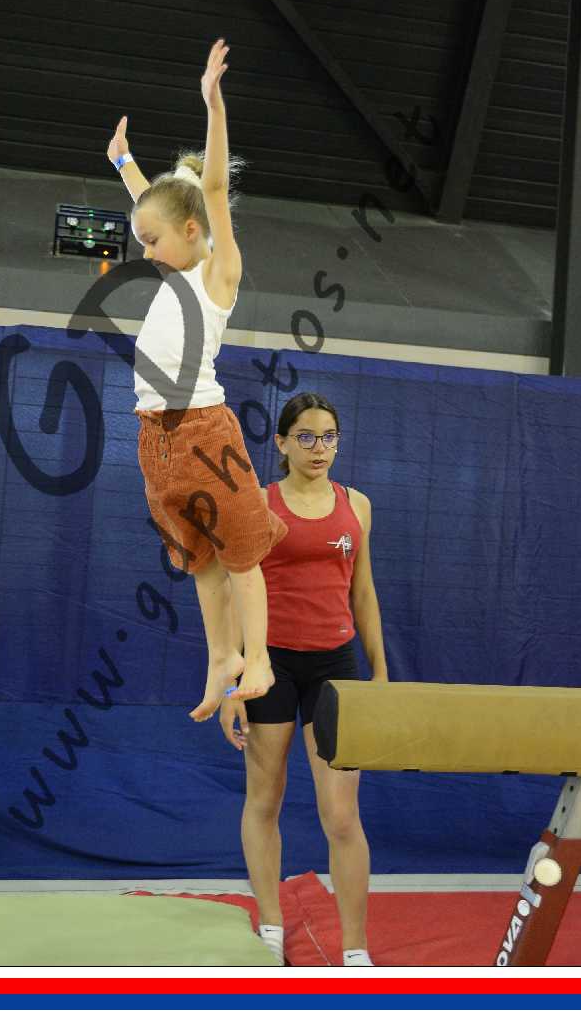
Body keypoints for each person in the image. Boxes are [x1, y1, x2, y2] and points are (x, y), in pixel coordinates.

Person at [107, 39, 286, 721]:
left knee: (240, 554)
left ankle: (258, 656)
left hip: (205, 431)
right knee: (201, 559)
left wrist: (214, 105)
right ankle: (221, 657)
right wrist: (123, 163)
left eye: (152, 242)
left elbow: (209, 190)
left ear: (190, 231)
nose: (146, 253)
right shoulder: (177, 266)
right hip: (155, 438)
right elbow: (154, 207)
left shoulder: (217, 272)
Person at [219, 392, 388, 967]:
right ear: (283, 442)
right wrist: (233, 683)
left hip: (333, 666)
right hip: (269, 665)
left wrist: (380, 672)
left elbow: (362, 591)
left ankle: (355, 948)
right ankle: (271, 921)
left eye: (330, 437)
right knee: (264, 799)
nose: (320, 449)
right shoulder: (258, 504)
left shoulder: (357, 506)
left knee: (341, 816)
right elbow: (232, 595)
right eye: (307, 437)